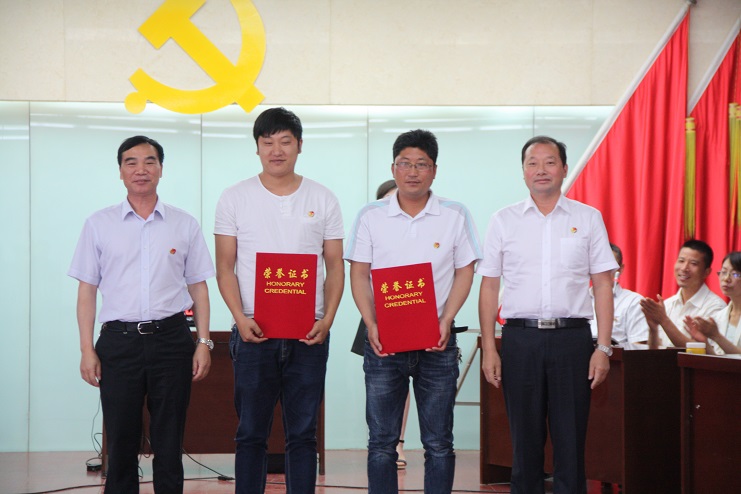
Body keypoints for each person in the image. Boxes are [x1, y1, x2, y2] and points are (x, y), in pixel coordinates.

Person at [68, 135, 215, 494]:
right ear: (120, 171)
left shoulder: (184, 224)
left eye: (150, 161)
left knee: (170, 437)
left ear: (161, 169)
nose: (141, 170)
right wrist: (87, 349)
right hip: (118, 343)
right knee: (120, 438)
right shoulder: (99, 224)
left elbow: (198, 287)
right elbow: (87, 291)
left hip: (172, 340)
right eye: (131, 162)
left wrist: (203, 342)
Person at [214, 107, 344, 494]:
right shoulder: (234, 197)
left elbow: (335, 266)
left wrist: (327, 320)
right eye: (267, 141)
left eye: (285, 141)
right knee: (250, 433)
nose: (276, 150)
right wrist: (239, 318)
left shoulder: (323, 197)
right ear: (256, 147)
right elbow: (225, 267)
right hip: (254, 332)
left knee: (303, 434)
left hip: (308, 334)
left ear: (299, 145)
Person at [345, 129, 481, 494]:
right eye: (405, 164)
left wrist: (446, 319)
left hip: (437, 342)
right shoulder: (370, 215)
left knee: (439, 442)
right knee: (381, 442)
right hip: (383, 344)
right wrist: (371, 322)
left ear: (434, 170)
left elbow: (465, 270)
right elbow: (358, 273)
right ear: (393, 168)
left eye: (422, 164)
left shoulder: (455, 214)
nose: (413, 171)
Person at [478, 135, 616, 494]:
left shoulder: (588, 218)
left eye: (550, 162)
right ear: (523, 171)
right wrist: (490, 349)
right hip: (520, 339)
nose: (541, 170)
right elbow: (489, 287)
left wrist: (603, 348)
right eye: (533, 163)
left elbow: (603, 284)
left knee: (571, 439)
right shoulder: (503, 220)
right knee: (523, 442)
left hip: (572, 340)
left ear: (564, 169)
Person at [349, 179, 411, 470]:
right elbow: (360, 273)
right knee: (382, 383)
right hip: (377, 313)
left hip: (413, 309)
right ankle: (381, 443)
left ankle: (399, 443)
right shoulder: (371, 226)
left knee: (408, 381)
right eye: (387, 200)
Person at [639, 239, 726, 348]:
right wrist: (653, 329)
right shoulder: (668, 304)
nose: (684, 268)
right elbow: (654, 352)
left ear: (706, 272)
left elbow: (705, 352)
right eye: (681, 261)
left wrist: (664, 320)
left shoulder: (716, 307)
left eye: (693, 263)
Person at [589, 243, 649, 345]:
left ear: (620, 269)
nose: (603, 270)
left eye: (609, 265)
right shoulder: (578, 300)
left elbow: (638, 347)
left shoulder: (634, 302)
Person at [685, 251, 741, 355]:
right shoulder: (719, 316)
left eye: (735, 274)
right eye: (723, 272)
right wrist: (704, 343)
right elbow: (718, 359)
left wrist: (716, 336)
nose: (726, 279)